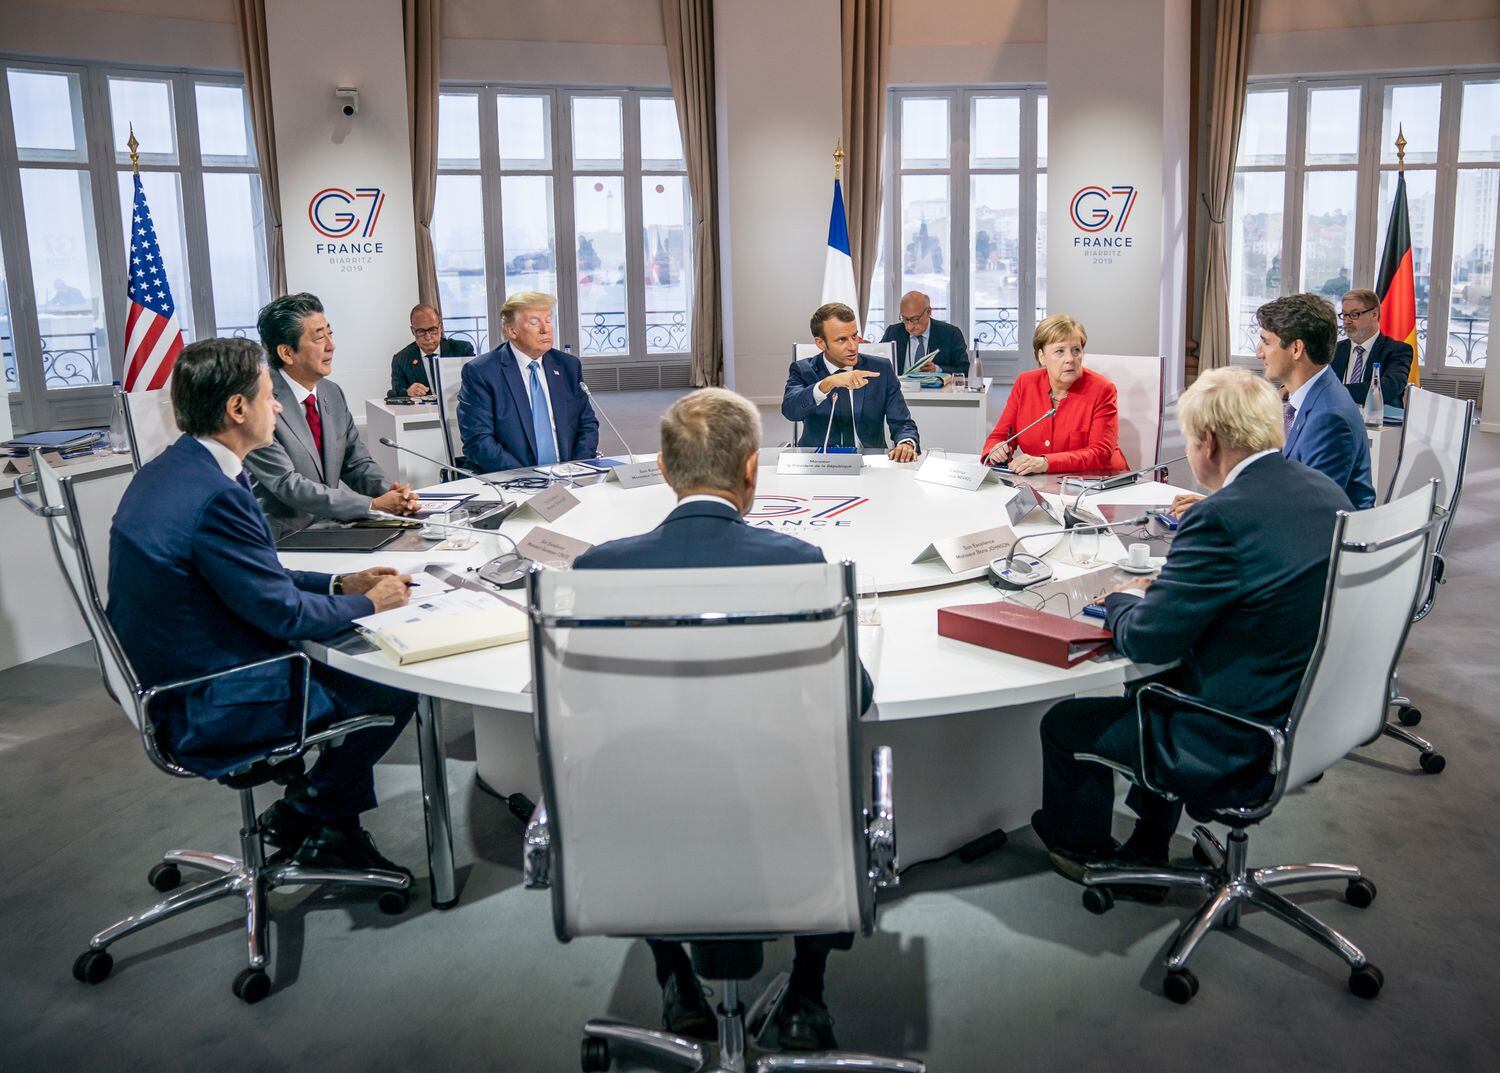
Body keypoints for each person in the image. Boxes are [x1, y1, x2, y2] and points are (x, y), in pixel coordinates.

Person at [573, 388, 873, 1052]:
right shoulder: (796, 562)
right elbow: (850, 694)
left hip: (646, 814)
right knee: (824, 784)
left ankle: (675, 976)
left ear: (661, 467)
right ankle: (806, 993)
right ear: (751, 469)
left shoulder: (598, 568)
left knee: (635, 784)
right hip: (775, 808)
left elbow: (583, 706)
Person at [108, 337, 419, 874]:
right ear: (237, 408)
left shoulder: (173, 469)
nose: (279, 406)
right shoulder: (219, 496)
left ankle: (331, 826)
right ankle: (308, 810)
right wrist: (370, 604)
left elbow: (259, 577)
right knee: (390, 684)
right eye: (271, 395)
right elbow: (284, 615)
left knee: (347, 652)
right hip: (210, 699)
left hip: (162, 679)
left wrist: (340, 584)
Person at [1031, 367, 1353, 883]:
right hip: (1307, 710)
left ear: (1208, 442)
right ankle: (1149, 842)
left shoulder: (1220, 517)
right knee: (1155, 686)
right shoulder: (1325, 493)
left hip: (1233, 732)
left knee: (1066, 723)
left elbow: (1149, 637)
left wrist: (1117, 600)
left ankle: (1086, 849)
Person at [1172, 293, 1375, 517]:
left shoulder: (1329, 418)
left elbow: (1307, 511)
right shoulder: (1313, 397)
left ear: (1296, 349)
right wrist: (1219, 503)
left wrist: (1218, 512)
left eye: (1266, 342)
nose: (1259, 352)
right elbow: (1283, 491)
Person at [244, 292, 421, 537]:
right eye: (319, 337)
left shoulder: (332, 393)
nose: (331, 344)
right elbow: (287, 484)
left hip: (335, 528)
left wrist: (391, 494)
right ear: (286, 353)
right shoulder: (260, 402)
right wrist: (372, 505)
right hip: (285, 539)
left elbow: (356, 462)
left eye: (330, 333)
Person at [456, 291, 598, 473]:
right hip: (512, 480)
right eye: (534, 322)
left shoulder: (567, 366)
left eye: (548, 320)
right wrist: (528, 478)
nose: (545, 329)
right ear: (511, 331)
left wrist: (577, 468)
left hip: (568, 477)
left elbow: (587, 425)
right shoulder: (482, 372)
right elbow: (478, 441)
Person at [980, 313, 1128, 475]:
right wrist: (995, 450)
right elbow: (1001, 435)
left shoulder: (1102, 389)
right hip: (1043, 482)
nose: (1070, 359)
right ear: (1041, 356)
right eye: (1059, 351)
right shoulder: (1025, 383)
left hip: (1097, 482)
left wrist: (1046, 463)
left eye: (1076, 350)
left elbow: (1100, 453)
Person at [782, 302, 920, 461]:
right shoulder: (803, 370)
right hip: (818, 462)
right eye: (841, 340)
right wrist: (827, 383)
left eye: (854, 336)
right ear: (821, 343)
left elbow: (902, 422)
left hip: (869, 464)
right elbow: (790, 410)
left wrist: (906, 443)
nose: (853, 346)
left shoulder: (880, 369)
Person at [1331, 288, 1413, 411]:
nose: (1347, 321)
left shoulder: (1397, 350)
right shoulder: (1335, 350)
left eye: (1354, 314)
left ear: (1374, 314)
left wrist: (1336, 393)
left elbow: (1389, 388)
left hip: (1379, 424)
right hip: (1337, 419)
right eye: (1344, 315)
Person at [390, 303, 475, 398]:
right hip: (421, 412)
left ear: (440, 328)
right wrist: (408, 392)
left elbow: (476, 385)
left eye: (433, 330)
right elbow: (396, 393)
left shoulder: (462, 350)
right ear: (413, 331)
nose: (428, 337)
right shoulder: (401, 359)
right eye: (421, 331)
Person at [880, 290, 968, 375]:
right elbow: (879, 363)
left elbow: (964, 369)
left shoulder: (950, 334)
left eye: (915, 319)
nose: (909, 327)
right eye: (905, 319)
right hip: (901, 389)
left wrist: (937, 369)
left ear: (928, 312)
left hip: (938, 390)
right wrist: (869, 350)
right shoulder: (892, 332)